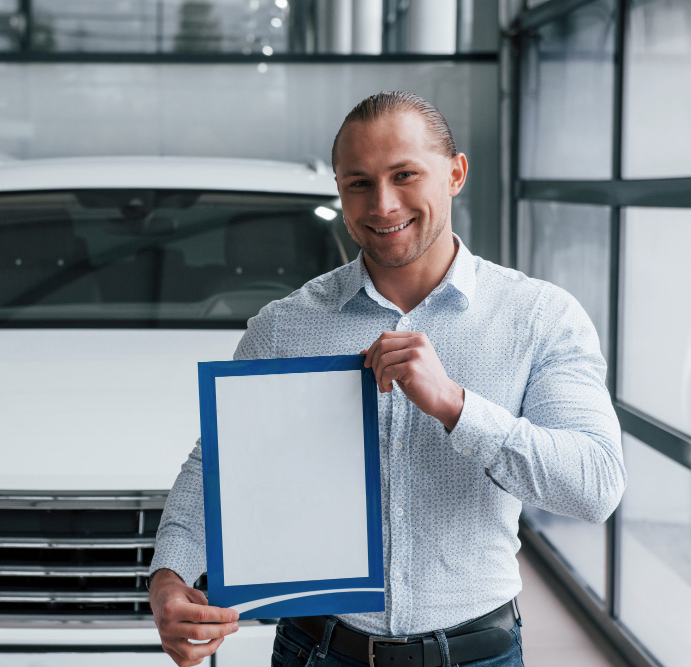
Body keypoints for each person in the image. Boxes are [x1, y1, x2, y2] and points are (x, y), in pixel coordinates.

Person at [147, 91, 626, 667]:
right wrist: (169, 575)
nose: (382, 204)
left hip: (478, 654)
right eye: (358, 183)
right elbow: (216, 465)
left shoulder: (540, 317)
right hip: (317, 651)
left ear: (455, 173)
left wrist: (456, 407)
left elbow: (596, 485)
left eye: (404, 175)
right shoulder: (285, 327)